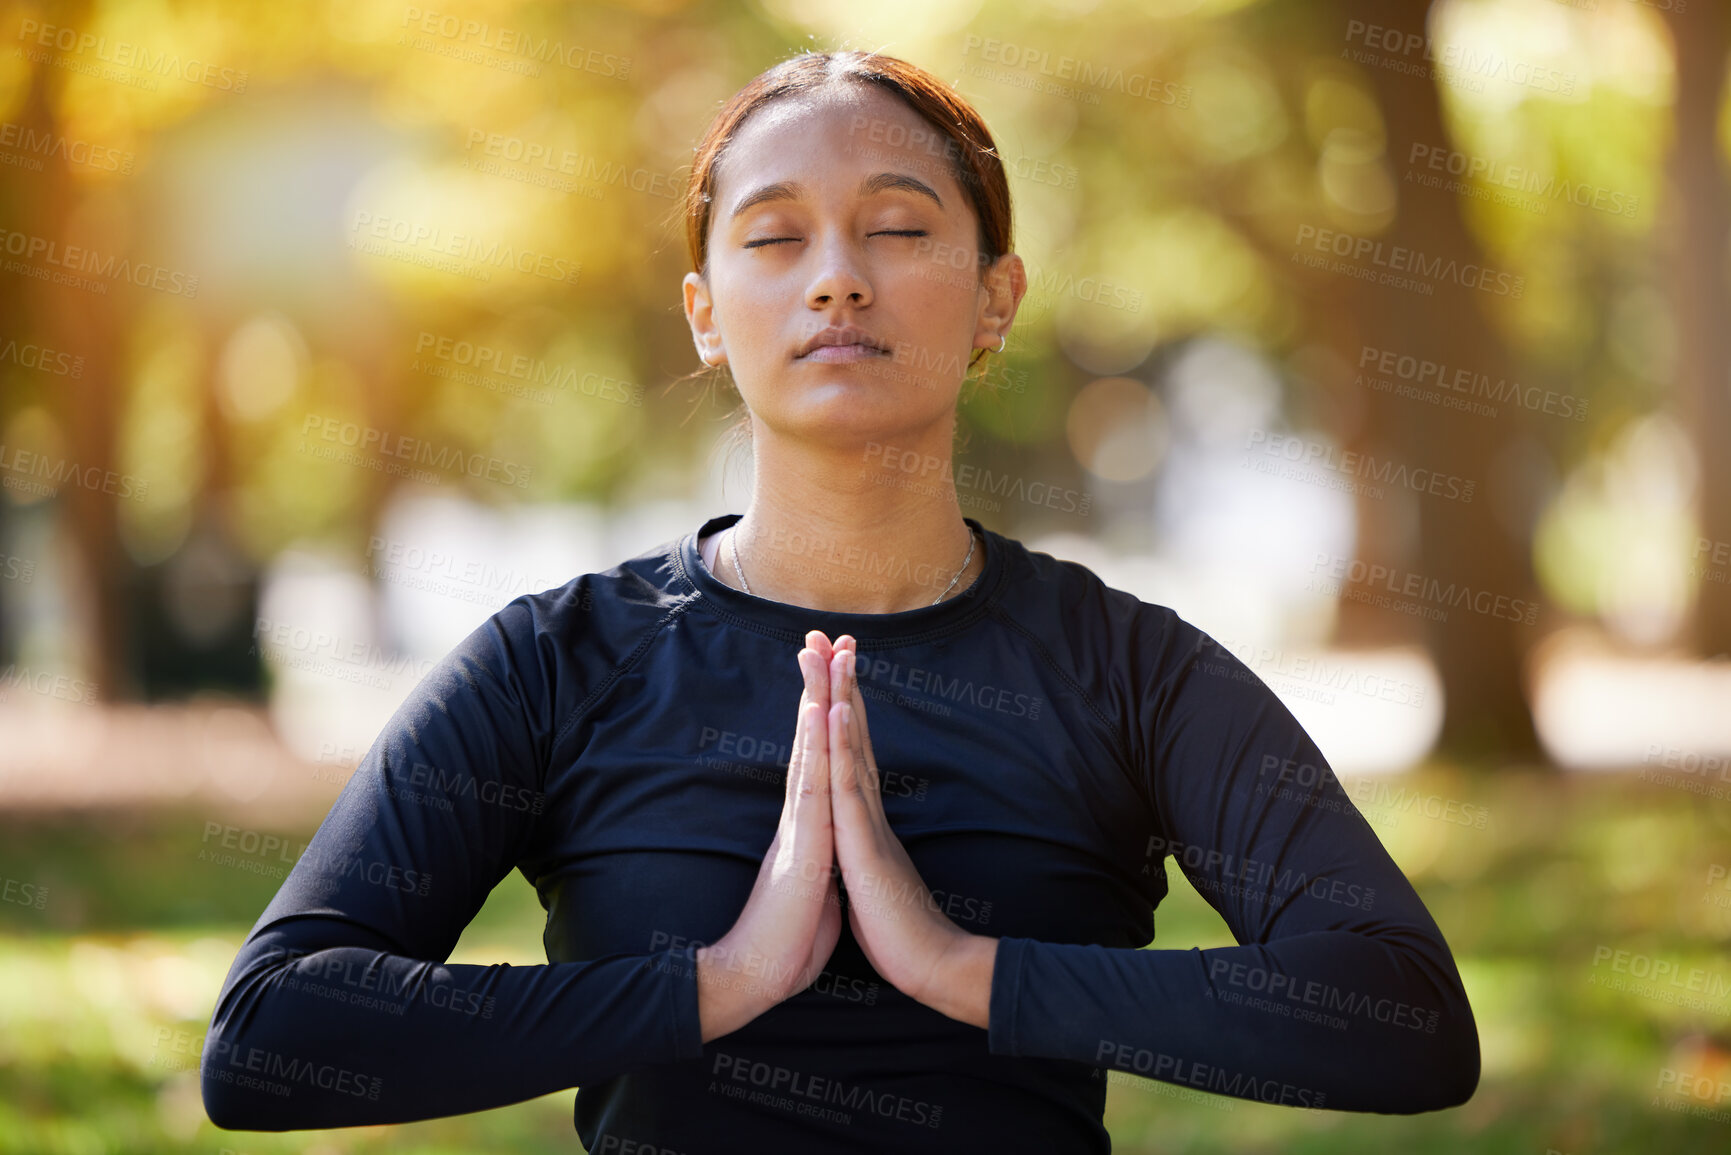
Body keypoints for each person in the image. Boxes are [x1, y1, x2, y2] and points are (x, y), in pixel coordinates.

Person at [202, 49, 1479, 1152]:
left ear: (996, 298)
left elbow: (1405, 1020)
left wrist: (963, 969)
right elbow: (269, 1036)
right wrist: (714, 983)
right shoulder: (559, 661)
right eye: (773, 237)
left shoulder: (1128, 670)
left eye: (900, 227)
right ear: (706, 314)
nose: (836, 280)